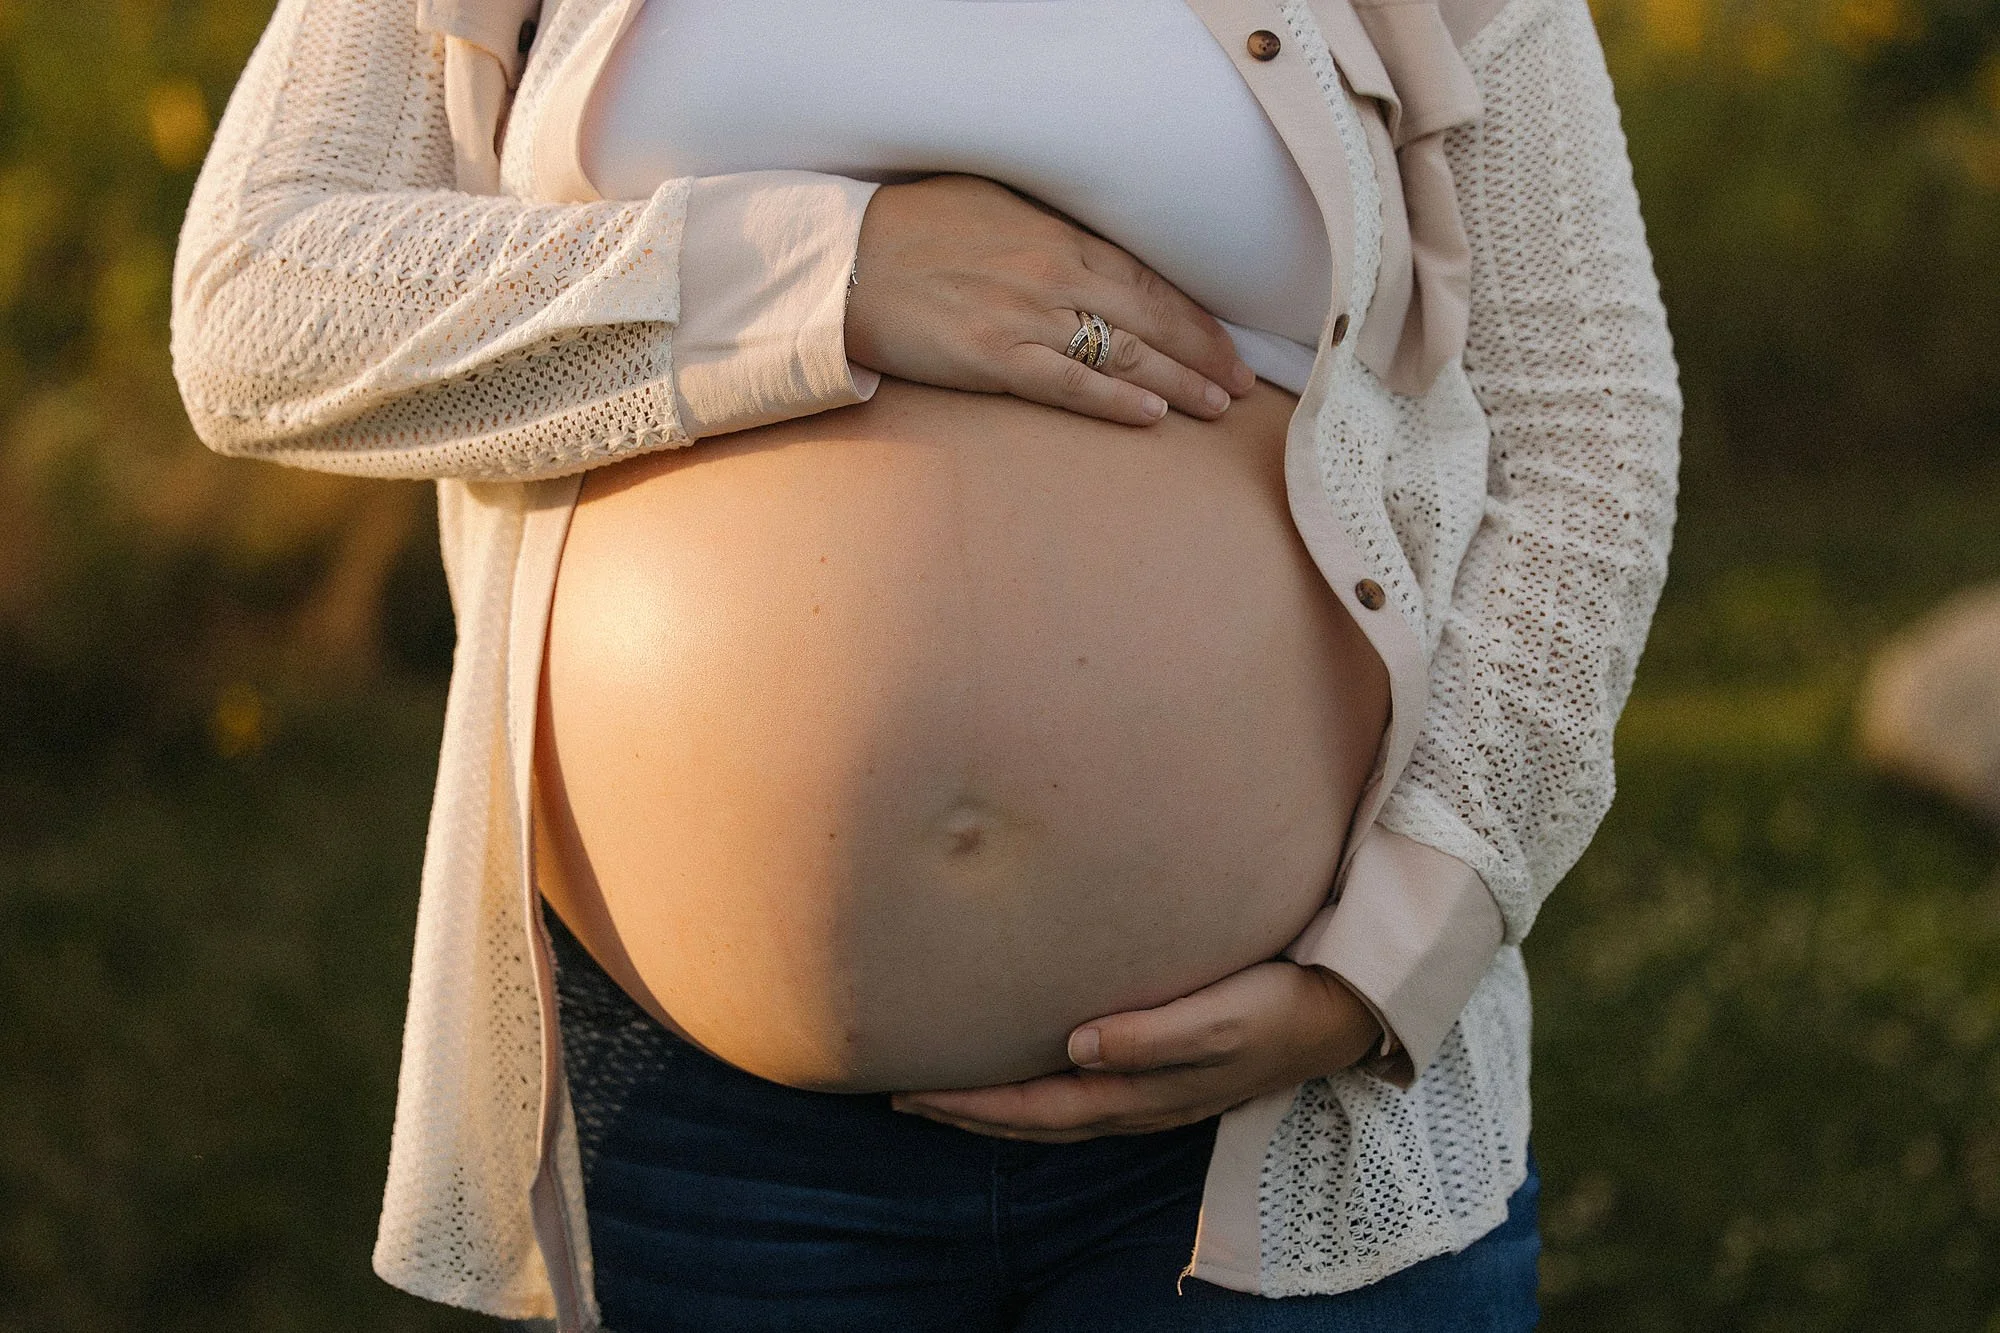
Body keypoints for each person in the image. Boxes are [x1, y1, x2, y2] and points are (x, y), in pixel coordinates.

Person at [169, 0, 1680, 1327]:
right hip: (709, 1135)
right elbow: (259, 298)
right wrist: (825, 274)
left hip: (1289, 1102)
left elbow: (1585, 428)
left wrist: (1397, 954)